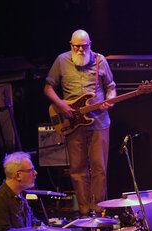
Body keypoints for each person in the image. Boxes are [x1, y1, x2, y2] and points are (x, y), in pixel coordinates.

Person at [44, 29, 116, 216]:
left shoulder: (100, 61)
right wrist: (61, 106)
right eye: (77, 46)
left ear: (90, 44)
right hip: (73, 122)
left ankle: (99, 212)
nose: (80, 49)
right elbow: (48, 88)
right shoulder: (62, 60)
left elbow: (111, 88)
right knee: (77, 169)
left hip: (99, 122)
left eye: (84, 46)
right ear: (70, 44)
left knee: (99, 168)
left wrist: (109, 101)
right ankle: (85, 212)